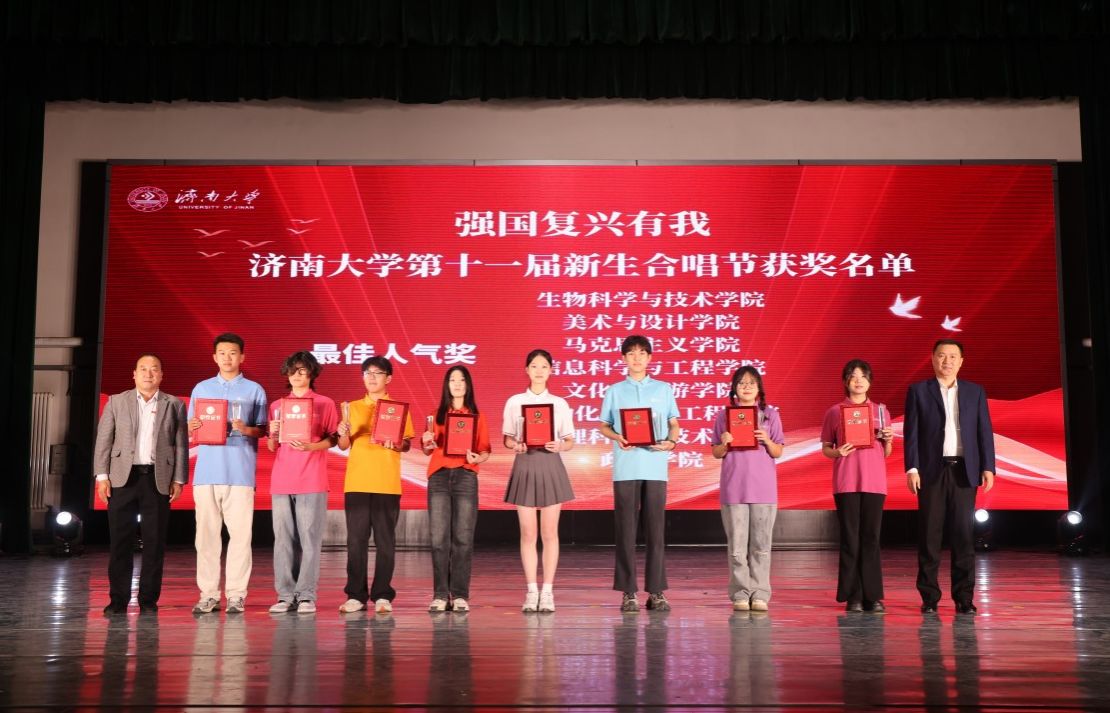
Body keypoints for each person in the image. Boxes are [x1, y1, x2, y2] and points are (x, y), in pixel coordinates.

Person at [904, 339, 996, 614]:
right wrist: (912, 468)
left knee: (963, 536)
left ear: (961, 361)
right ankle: (929, 597)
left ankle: (964, 598)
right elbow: (912, 433)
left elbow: (984, 430)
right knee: (929, 536)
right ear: (933, 358)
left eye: (953, 356)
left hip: (964, 471)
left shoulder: (974, 391)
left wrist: (988, 466)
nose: (947, 361)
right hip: (931, 471)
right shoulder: (919, 391)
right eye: (942, 356)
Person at [94, 353, 188, 614]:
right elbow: (104, 441)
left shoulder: (174, 404)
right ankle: (118, 600)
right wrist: (102, 477)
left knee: (154, 543)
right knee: (120, 542)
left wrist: (179, 479)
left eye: (154, 369)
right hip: (122, 478)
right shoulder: (116, 401)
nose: (148, 373)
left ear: (161, 375)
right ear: (134, 374)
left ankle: (148, 600)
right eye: (143, 369)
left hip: (157, 479)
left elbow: (181, 444)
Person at [188, 333, 268, 614]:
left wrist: (245, 429)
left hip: (240, 474)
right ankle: (208, 594)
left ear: (242, 356)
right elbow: (190, 428)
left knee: (240, 538)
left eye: (233, 352)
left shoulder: (254, 390)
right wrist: (192, 426)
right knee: (206, 538)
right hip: (206, 474)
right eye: (222, 353)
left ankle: (236, 594)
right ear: (214, 357)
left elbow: (262, 430)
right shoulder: (201, 388)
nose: (227, 357)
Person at [599, 335, 680, 613]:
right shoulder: (614, 391)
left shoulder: (663, 389)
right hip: (626, 467)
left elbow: (674, 423)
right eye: (631, 353)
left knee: (655, 532)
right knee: (625, 531)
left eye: (642, 353)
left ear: (650, 358)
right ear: (623, 358)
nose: (636, 358)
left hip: (655, 466)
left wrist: (671, 442)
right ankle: (628, 592)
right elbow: (604, 426)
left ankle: (656, 591)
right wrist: (617, 437)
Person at [337, 356, 414, 614]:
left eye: (377, 373)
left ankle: (382, 595)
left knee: (385, 542)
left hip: (387, 483)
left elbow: (406, 444)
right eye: (367, 373)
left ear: (388, 378)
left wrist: (397, 444)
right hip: (357, 482)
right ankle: (355, 595)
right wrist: (342, 432)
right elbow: (343, 445)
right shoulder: (351, 407)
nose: (371, 377)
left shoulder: (398, 408)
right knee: (356, 541)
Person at [501, 349, 575, 612]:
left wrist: (560, 445)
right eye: (534, 366)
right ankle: (531, 591)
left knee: (550, 533)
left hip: (551, 465)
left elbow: (569, 440)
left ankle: (548, 592)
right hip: (525, 464)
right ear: (527, 370)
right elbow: (507, 438)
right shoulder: (514, 401)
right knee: (528, 533)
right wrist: (515, 445)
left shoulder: (560, 403)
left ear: (551, 370)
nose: (539, 371)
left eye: (544, 366)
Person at [266, 351, 338, 615]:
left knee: (309, 539)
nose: (296, 375)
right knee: (283, 540)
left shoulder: (324, 403)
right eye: (292, 370)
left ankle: (306, 595)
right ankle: (285, 595)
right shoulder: (277, 406)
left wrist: (311, 446)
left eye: (302, 370)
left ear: (312, 373)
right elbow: (272, 446)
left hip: (312, 478)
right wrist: (273, 434)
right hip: (282, 479)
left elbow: (333, 438)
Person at [820, 359, 893, 613]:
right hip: (846, 481)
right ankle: (853, 596)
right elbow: (826, 449)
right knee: (850, 539)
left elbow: (886, 452)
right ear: (845, 381)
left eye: (863, 376)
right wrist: (838, 451)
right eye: (853, 376)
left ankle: (872, 596)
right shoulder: (834, 412)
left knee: (871, 538)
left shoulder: (881, 411)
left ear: (870, 381)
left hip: (874, 482)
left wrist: (888, 439)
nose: (858, 381)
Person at [710, 366, 784, 612]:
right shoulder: (724, 416)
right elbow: (716, 452)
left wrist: (767, 440)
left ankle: (760, 593)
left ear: (759, 388)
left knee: (761, 546)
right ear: (734, 388)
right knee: (737, 547)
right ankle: (741, 593)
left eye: (752, 382)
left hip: (764, 489)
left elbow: (778, 451)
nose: (747, 387)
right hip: (734, 489)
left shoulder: (770, 415)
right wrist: (724, 443)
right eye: (741, 383)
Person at [420, 366, 491, 612]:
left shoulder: (477, 417)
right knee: (439, 538)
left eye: (462, 380)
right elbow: (427, 449)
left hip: (465, 476)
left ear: (468, 385)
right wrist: (426, 443)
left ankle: (459, 595)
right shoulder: (435, 415)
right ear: (446, 385)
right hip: (439, 477)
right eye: (453, 380)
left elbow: (484, 451)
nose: (457, 384)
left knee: (463, 538)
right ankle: (440, 594)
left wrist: (477, 458)